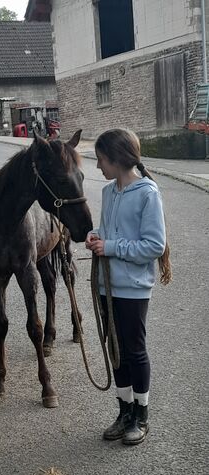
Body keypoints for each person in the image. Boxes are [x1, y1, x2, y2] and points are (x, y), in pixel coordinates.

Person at [85, 128, 171, 446]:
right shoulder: (109, 193)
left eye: (101, 160)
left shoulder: (148, 193)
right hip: (107, 285)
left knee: (134, 351)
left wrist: (110, 247)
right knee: (116, 352)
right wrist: (95, 236)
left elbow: (153, 245)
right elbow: (110, 231)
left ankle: (141, 415)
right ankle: (124, 412)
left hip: (133, 289)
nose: (98, 167)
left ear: (117, 158)